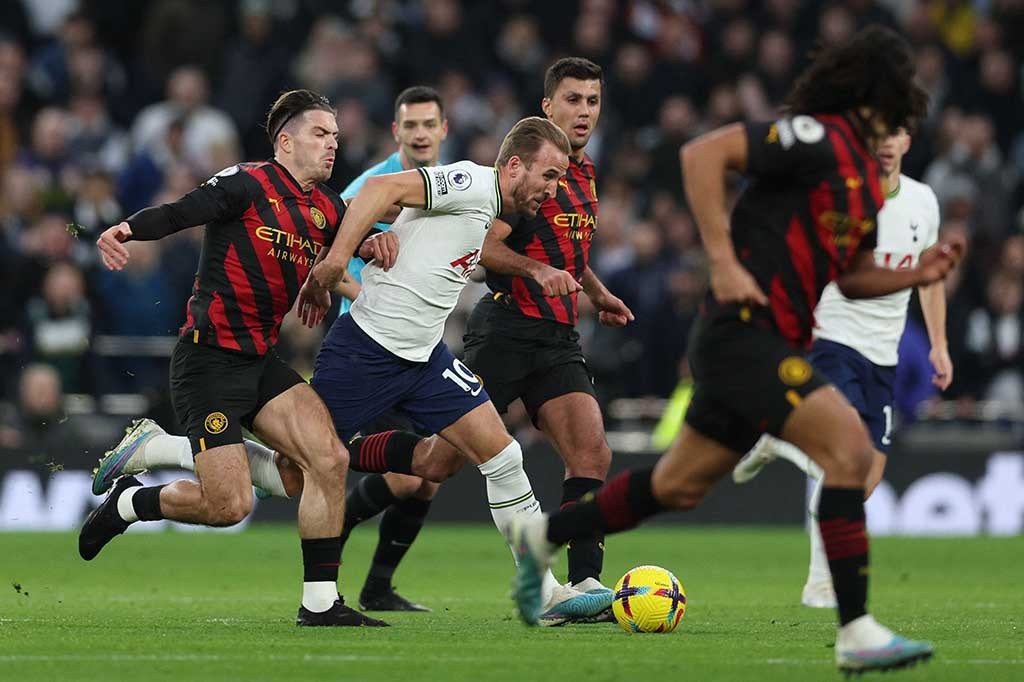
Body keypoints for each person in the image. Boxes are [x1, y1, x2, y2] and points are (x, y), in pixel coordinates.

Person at [509, 26, 963, 674]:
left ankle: (540, 537)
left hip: (767, 340)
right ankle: (856, 629)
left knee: (676, 486)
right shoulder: (814, 137)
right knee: (851, 451)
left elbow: (854, 276)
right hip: (741, 329)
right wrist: (721, 260)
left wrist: (917, 274)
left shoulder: (864, 183)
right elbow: (703, 155)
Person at [95, 116, 611, 622]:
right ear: (515, 165)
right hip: (367, 351)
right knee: (292, 477)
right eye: (549, 175)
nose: (555, 187)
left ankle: (541, 590)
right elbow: (380, 189)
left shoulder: (491, 211)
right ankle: (160, 448)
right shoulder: (472, 181)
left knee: (498, 457)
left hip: (426, 357)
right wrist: (338, 262)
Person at [83, 89, 388, 628]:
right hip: (209, 361)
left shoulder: (328, 206)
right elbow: (180, 212)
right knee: (229, 507)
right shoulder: (246, 182)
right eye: (321, 134)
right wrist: (127, 227)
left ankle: (320, 604)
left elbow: (346, 249)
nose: (332, 144)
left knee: (325, 464)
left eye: (336, 136)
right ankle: (132, 499)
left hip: (260, 361)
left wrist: (374, 248)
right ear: (285, 141)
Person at [731, 126, 950, 609]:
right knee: (842, 457)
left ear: (908, 140)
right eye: (879, 132)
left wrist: (939, 344)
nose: (887, 142)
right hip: (832, 338)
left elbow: (931, 277)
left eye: (896, 132)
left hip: (884, 355)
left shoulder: (923, 201)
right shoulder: (841, 199)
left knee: (866, 477)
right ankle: (819, 582)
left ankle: (779, 441)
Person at [462, 56, 633, 621]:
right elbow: (486, 248)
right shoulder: (531, 170)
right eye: (573, 100)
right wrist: (536, 274)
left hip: (557, 336)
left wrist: (598, 292)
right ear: (548, 107)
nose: (584, 112)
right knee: (431, 461)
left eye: (592, 101)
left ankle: (582, 584)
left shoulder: (584, 174)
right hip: (505, 330)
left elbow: (567, 254)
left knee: (591, 449)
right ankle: (335, 473)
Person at [329, 85, 448, 612]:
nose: (420, 134)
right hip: (368, 347)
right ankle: (328, 498)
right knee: (407, 474)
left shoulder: (441, 188)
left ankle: (378, 588)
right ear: (395, 132)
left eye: (429, 124)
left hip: (417, 348)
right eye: (410, 125)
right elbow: (331, 266)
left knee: (427, 480)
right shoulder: (371, 189)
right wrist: (379, 304)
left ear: (443, 130)